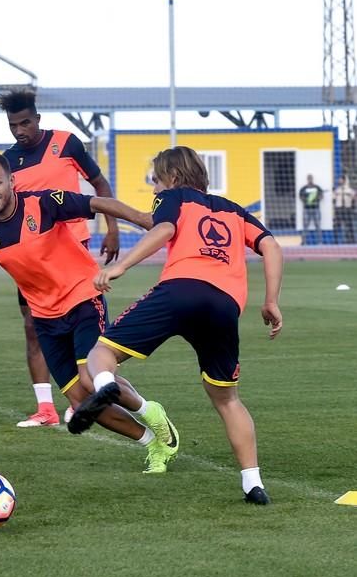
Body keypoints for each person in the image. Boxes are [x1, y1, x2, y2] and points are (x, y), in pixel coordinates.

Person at [69, 146, 283, 505]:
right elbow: (272, 247)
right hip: (224, 304)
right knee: (227, 399)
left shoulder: (173, 197)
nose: (154, 189)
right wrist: (271, 300)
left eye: (156, 180)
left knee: (102, 353)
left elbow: (165, 227)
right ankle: (253, 484)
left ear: (172, 176)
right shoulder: (234, 209)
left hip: (180, 290)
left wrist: (123, 266)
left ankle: (105, 386)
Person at [0, 153, 179, 474]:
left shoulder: (43, 204)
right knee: (80, 401)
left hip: (83, 299)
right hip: (45, 319)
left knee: (91, 379)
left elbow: (97, 203)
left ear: (11, 182)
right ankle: (152, 443)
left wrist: (143, 219)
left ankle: (150, 411)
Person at [0, 89, 120, 428]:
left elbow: (98, 183)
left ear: (38, 119)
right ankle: (47, 408)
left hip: (70, 255)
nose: (19, 130)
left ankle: (94, 385)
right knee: (34, 328)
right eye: (13, 125)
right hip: (29, 262)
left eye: (25, 122)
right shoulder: (6, 162)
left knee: (80, 330)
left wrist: (111, 228)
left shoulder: (66, 143)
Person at [299, 174, 323, 245]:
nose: (310, 180)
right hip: (306, 209)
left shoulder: (317, 187)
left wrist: (317, 200)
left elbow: (321, 195)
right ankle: (304, 242)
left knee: (318, 225)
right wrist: (306, 201)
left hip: (316, 209)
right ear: (307, 179)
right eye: (308, 178)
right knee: (305, 226)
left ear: (312, 179)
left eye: (311, 178)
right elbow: (300, 196)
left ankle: (319, 242)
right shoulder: (303, 188)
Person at [333, 173, 355, 244]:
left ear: (344, 180)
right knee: (336, 225)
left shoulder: (350, 190)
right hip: (339, 209)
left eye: (341, 179)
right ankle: (336, 241)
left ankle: (351, 241)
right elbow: (333, 199)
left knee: (349, 225)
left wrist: (352, 205)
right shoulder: (337, 190)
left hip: (347, 209)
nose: (339, 180)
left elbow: (354, 198)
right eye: (339, 179)